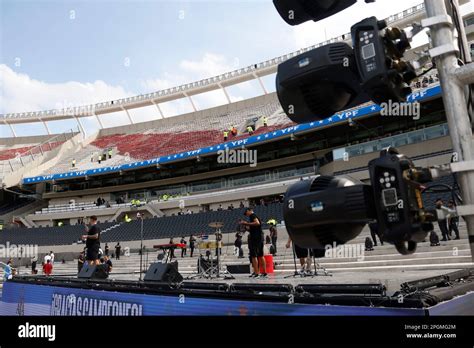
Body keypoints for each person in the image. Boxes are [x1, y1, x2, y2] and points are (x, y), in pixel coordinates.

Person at [239, 208, 267, 278]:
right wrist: (247, 227)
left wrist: (246, 223)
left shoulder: (252, 215)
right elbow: (255, 227)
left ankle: (257, 273)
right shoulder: (255, 216)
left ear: (249, 210)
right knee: (261, 255)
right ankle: (264, 272)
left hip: (255, 238)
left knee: (253, 255)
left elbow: (257, 223)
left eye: (246, 213)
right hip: (259, 237)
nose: (246, 215)